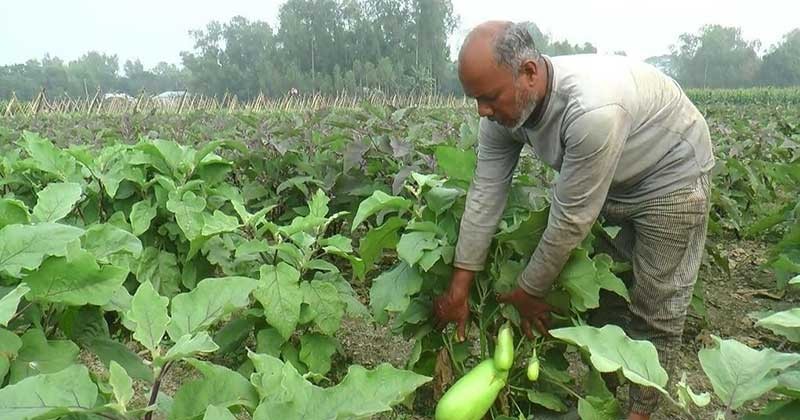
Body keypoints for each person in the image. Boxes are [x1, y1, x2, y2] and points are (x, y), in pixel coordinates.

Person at [432, 20, 714, 420]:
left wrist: (530, 290)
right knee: (607, 297)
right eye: (475, 99)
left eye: (489, 97)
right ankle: (614, 395)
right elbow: (485, 193)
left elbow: (570, 219)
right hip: (613, 178)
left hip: (670, 178)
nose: (482, 110)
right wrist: (459, 286)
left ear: (529, 73)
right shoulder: (501, 111)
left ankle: (641, 413)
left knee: (657, 307)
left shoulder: (592, 110)